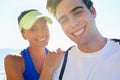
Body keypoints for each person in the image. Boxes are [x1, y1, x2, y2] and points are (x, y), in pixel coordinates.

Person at [46, 0, 120, 80]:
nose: (73, 24)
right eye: (63, 20)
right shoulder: (59, 66)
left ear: (93, 11)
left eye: (78, 13)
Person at [4, 9, 63, 80]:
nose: (41, 33)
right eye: (33, 29)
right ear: (23, 35)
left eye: (44, 26)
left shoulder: (57, 57)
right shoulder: (13, 60)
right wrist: (48, 68)